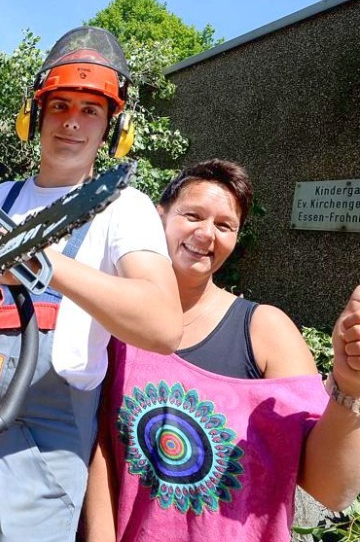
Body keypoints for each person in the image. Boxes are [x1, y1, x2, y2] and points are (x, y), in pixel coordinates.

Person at [0, 26, 182, 541]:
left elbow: (162, 323)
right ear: (36, 113)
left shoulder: (122, 207)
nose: (71, 122)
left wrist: (39, 260)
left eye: (91, 111)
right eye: (60, 105)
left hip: (45, 431)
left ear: (114, 126)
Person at [83, 160, 360, 542]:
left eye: (224, 225)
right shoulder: (114, 322)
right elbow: (97, 446)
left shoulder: (265, 331)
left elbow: (329, 488)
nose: (206, 233)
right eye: (192, 215)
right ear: (158, 217)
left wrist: (350, 385)